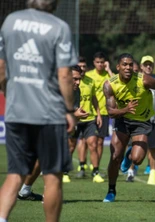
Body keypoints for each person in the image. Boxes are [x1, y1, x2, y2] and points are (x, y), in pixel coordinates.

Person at [0, 0, 77, 221]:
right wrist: (69, 110)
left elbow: (1, 68)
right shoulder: (59, 27)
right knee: (52, 177)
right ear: (55, 4)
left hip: (17, 111)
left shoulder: (10, 21)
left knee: (15, 174)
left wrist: (9, 92)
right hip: (49, 114)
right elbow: (65, 75)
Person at [102, 53, 155, 202]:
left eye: (130, 64)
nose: (128, 67)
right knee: (115, 156)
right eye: (124, 64)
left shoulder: (144, 80)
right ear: (118, 67)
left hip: (142, 122)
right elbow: (110, 112)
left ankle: (130, 155)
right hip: (122, 119)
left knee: (137, 159)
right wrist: (125, 110)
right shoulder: (110, 84)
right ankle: (111, 190)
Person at [66, 60, 104, 183]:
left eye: (84, 66)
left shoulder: (88, 82)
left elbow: (94, 98)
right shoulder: (63, 88)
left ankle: (96, 172)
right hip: (74, 120)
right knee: (71, 146)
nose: (78, 82)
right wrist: (74, 115)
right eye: (75, 79)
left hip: (88, 118)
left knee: (93, 144)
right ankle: (65, 172)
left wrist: (98, 114)